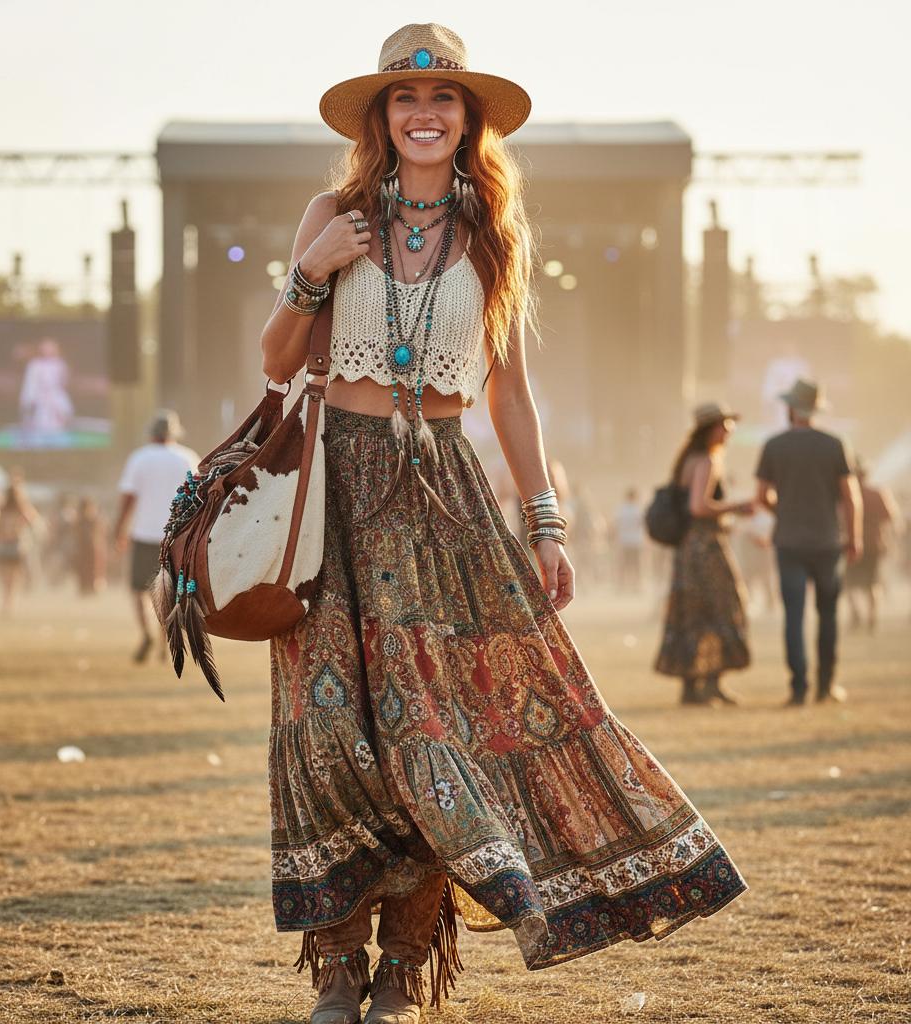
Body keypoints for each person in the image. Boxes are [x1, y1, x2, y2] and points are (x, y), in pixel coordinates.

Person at [257, 25, 746, 1024]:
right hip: (335, 502)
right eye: (404, 101)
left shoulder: (495, 237)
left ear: (468, 120)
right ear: (381, 119)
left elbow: (512, 397)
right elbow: (276, 360)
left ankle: (402, 967)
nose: (424, 115)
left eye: (443, 102)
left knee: (445, 738)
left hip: (445, 502)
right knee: (330, 735)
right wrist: (312, 269)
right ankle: (338, 966)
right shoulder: (332, 213)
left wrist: (547, 523)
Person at [755, 379, 862, 705]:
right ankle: (826, 685)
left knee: (794, 615)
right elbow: (850, 497)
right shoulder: (835, 444)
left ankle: (798, 687)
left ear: (791, 408)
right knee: (827, 614)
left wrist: (782, 508)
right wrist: (854, 538)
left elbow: (762, 497)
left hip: (789, 541)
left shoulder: (774, 445)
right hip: (828, 542)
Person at [655, 403, 753, 705]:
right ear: (713, 428)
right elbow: (699, 506)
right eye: (725, 425)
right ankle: (711, 681)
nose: (730, 431)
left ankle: (692, 686)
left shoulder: (688, 459)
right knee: (722, 606)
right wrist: (736, 507)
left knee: (691, 612)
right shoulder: (708, 460)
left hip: (688, 548)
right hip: (705, 546)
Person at [114, 410, 199, 662]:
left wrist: (119, 529)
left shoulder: (139, 458)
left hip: (144, 533)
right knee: (169, 591)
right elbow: (198, 498)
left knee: (138, 590)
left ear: (152, 434)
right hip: (176, 536)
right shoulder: (188, 458)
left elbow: (128, 498)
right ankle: (166, 640)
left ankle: (147, 633)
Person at [845, 458, 902, 633]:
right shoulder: (877, 493)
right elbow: (891, 517)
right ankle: (871, 617)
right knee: (872, 582)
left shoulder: (845, 494)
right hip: (873, 544)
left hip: (852, 544)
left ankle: (859, 614)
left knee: (850, 583)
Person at [0, 475, 41, 613]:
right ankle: (10, 603)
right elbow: (33, 519)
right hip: (16, 546)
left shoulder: (1, 508)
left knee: (5, 578)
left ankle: (6, 602)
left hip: (3, 546)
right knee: (14, 578)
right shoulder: (22, 507)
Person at [613, 486, 645, 592]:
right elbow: (642, 525)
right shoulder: (638, 509)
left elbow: (616, 525)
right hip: (636, 541)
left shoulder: (622, 509)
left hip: (624, 540)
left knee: (624, 565)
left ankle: (621, 586)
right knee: (636, 566)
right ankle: (636, 586)